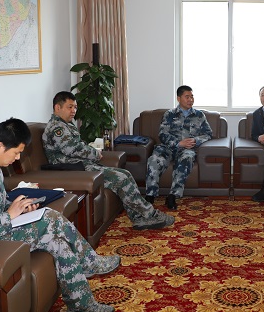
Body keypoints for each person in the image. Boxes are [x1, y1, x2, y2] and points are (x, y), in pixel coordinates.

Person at [0, 118, 120, 312]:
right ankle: (90, 262)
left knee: (57, 241)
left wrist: (19, 209)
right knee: (51, 219)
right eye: (16, 152)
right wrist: (9, 215)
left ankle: (81, 303)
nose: (18, 158)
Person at [43, 91, 174, 230]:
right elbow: (72, 149)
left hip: (80, 165)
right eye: (70, 107)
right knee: (121, 178)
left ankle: (138, 218)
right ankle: (150, 214)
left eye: (75, 107)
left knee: (125, 173)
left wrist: (92, 151)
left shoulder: (65, 125)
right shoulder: (57, 127)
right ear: (57, 107)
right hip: (72, 169)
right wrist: (95, 153)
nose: (74, 111)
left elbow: (76, 147)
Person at [144, 85, 212, 210]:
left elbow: (208, 134)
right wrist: (178, 143)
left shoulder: (199, 115)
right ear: (179, 98)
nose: (191, 99)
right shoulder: (169, 114)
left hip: (187, 149)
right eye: (187, 97)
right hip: (168, 147)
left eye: (192, 97)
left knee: (186, 159)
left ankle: (173, 196)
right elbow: (163, 134)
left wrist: (195, 140)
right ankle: (150, 195)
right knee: (153, 160)